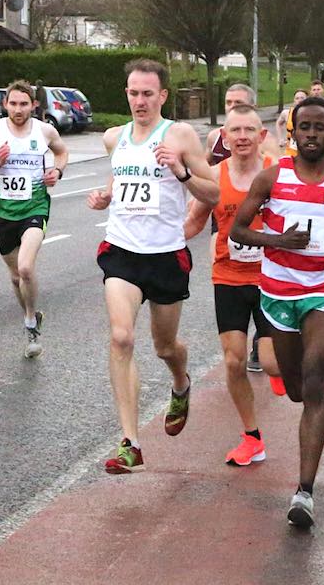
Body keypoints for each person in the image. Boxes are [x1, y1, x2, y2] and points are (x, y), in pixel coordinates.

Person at [229, 96, 324, 529]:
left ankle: (304, 492)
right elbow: (239, 230)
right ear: (293, 133)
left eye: (320, 127)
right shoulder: (271, 179)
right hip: (279, 292)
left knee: (315, 382)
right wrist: (277, 241)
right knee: (296, 388)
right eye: (305, 127)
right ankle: (291, 382)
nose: (312, 134)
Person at [88, 59, 219, 474]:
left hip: (166, 256)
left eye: (147, 93)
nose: (139, 101)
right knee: (121, 337)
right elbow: (120, 181)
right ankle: (131, 442)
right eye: (133, 93)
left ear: (162, 95)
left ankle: (180, 382)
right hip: (122, 251)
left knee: (165, 347)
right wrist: (105, 197)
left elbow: (214, 193)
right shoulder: (114, 137)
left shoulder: (179, 135)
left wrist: (181, 172)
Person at [184, 106, 283, 468]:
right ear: (224, 138)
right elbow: (195, 221)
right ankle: (252, 438)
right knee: (233, 360)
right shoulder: (214, 177)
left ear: (261, 136)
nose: (242, 137)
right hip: (228, 277)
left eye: (249, 130)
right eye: (235, 131)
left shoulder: (278, 173)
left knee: (271, 363)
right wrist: (159, 245)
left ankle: (281, 367)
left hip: (272, 278)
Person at [0, 80, 69, 357]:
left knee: (26, 268)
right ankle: (31, 314)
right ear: (5, 104)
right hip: (4, 212)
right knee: (16, 277)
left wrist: (57, 172)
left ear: (33, 105)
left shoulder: (44, 131)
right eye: (13, 104)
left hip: (34, 208)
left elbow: (62, 152)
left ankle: (29, 323)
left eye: (24, 104)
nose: (18, 109)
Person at [204, 84, 280, 165]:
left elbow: (278, 169)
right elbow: (203, 167)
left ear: (252, 107)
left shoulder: (265, 139)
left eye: (238, 102)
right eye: (228, 102)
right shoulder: (214, 136)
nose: (232, 107)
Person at [275, 89, 309, 157]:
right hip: (291, 151)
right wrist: (280, 138)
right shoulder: (286, 113)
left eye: (302, 98)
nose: (299, 100)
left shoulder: (313, 114)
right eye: (297, 98)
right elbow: (278, 123)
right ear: (294, 100)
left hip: (307, 151)